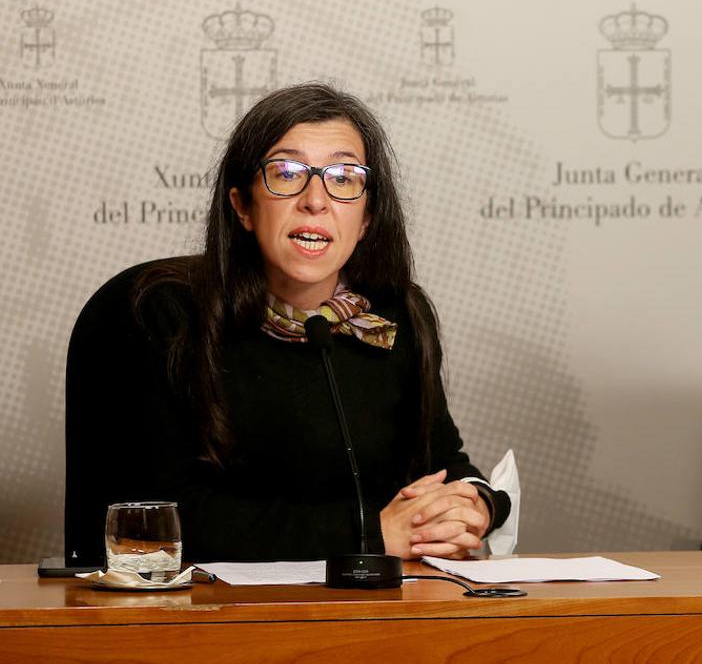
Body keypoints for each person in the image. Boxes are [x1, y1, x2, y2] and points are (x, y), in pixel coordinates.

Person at [65, 83, 509, 564]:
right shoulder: (157, 311)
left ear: (366, 217)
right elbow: (151, 517)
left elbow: (440, 463)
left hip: (366, 617)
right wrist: (367, 533)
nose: (316, 200)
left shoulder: (395, 315)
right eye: (287, 172)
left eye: (343, 177)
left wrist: (473, 506)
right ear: (242, 206)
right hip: (185, 622)